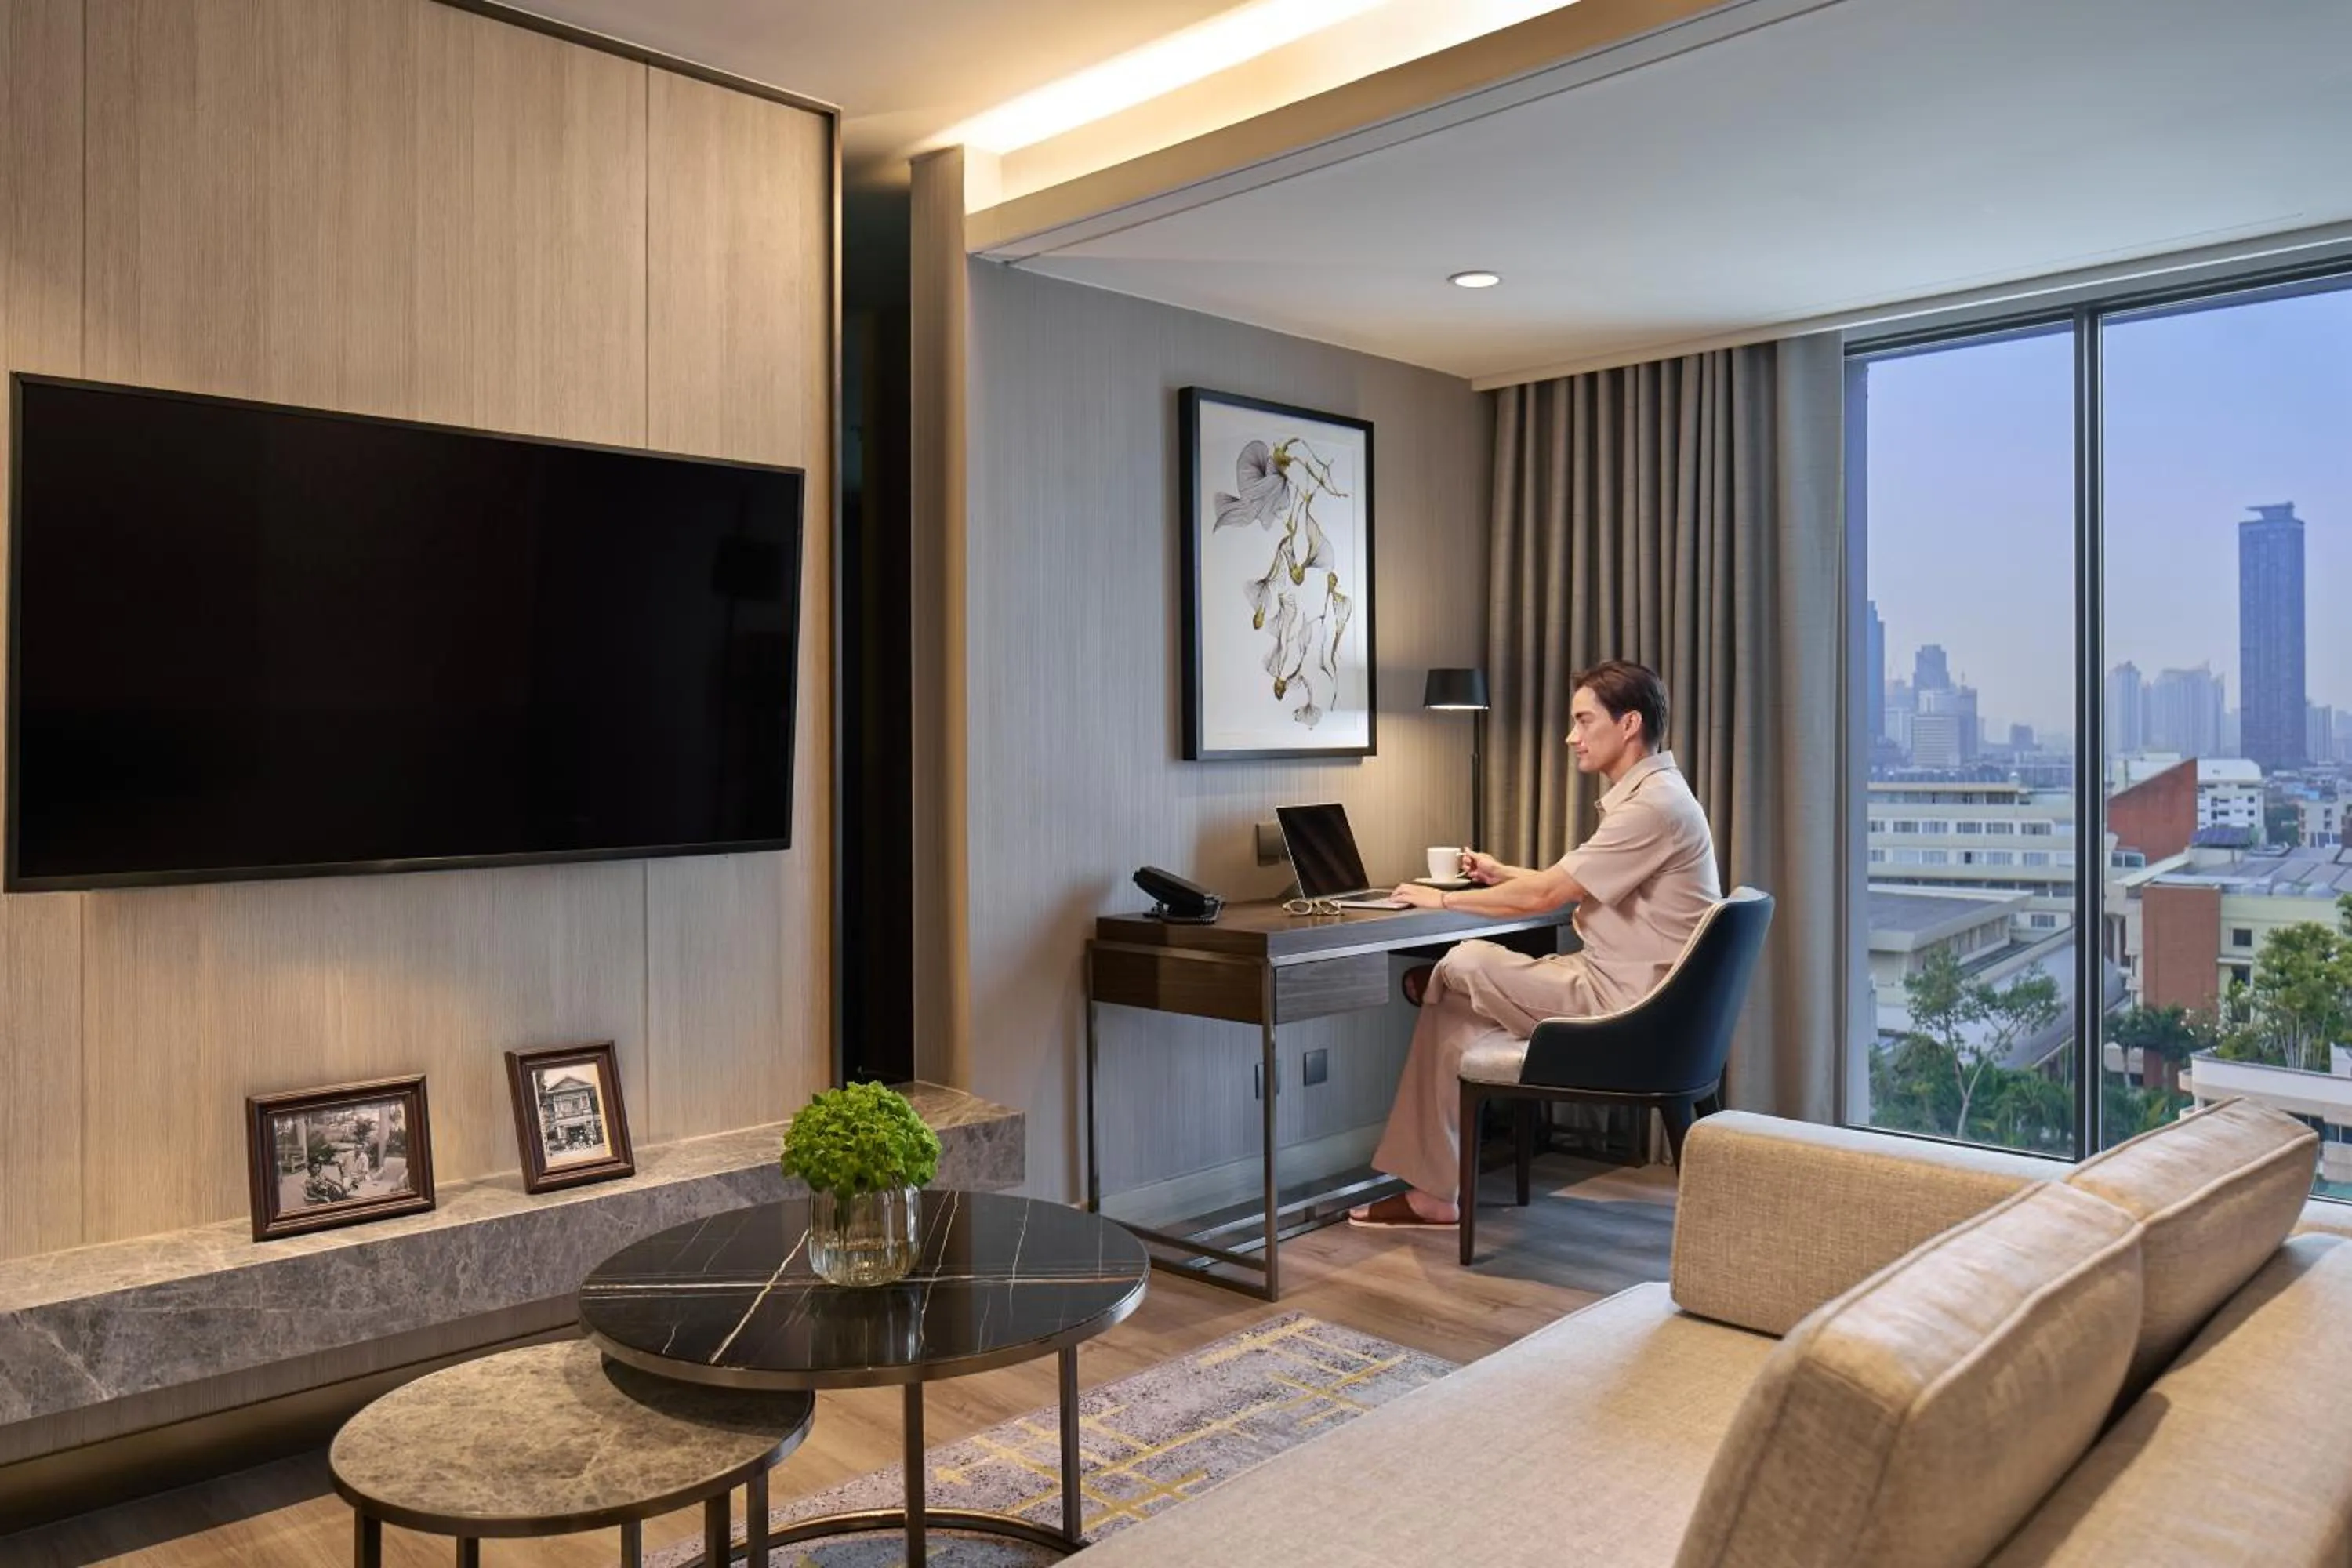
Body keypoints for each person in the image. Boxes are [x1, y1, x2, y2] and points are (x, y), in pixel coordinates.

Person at [1348, 659, 1721, 1228]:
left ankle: (1447, 979)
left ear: (1629, 725)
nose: (1571, 737)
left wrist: (1441, 901)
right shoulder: (1661, 796)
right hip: (1637, 996)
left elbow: (1545, 897)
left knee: (1464, 958)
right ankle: (1432, 1194)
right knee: (1449, 1007)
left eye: (1582, 721)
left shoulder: (1651, 807)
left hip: (1623, 1009)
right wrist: (1503, 874)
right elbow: (1573, 886)